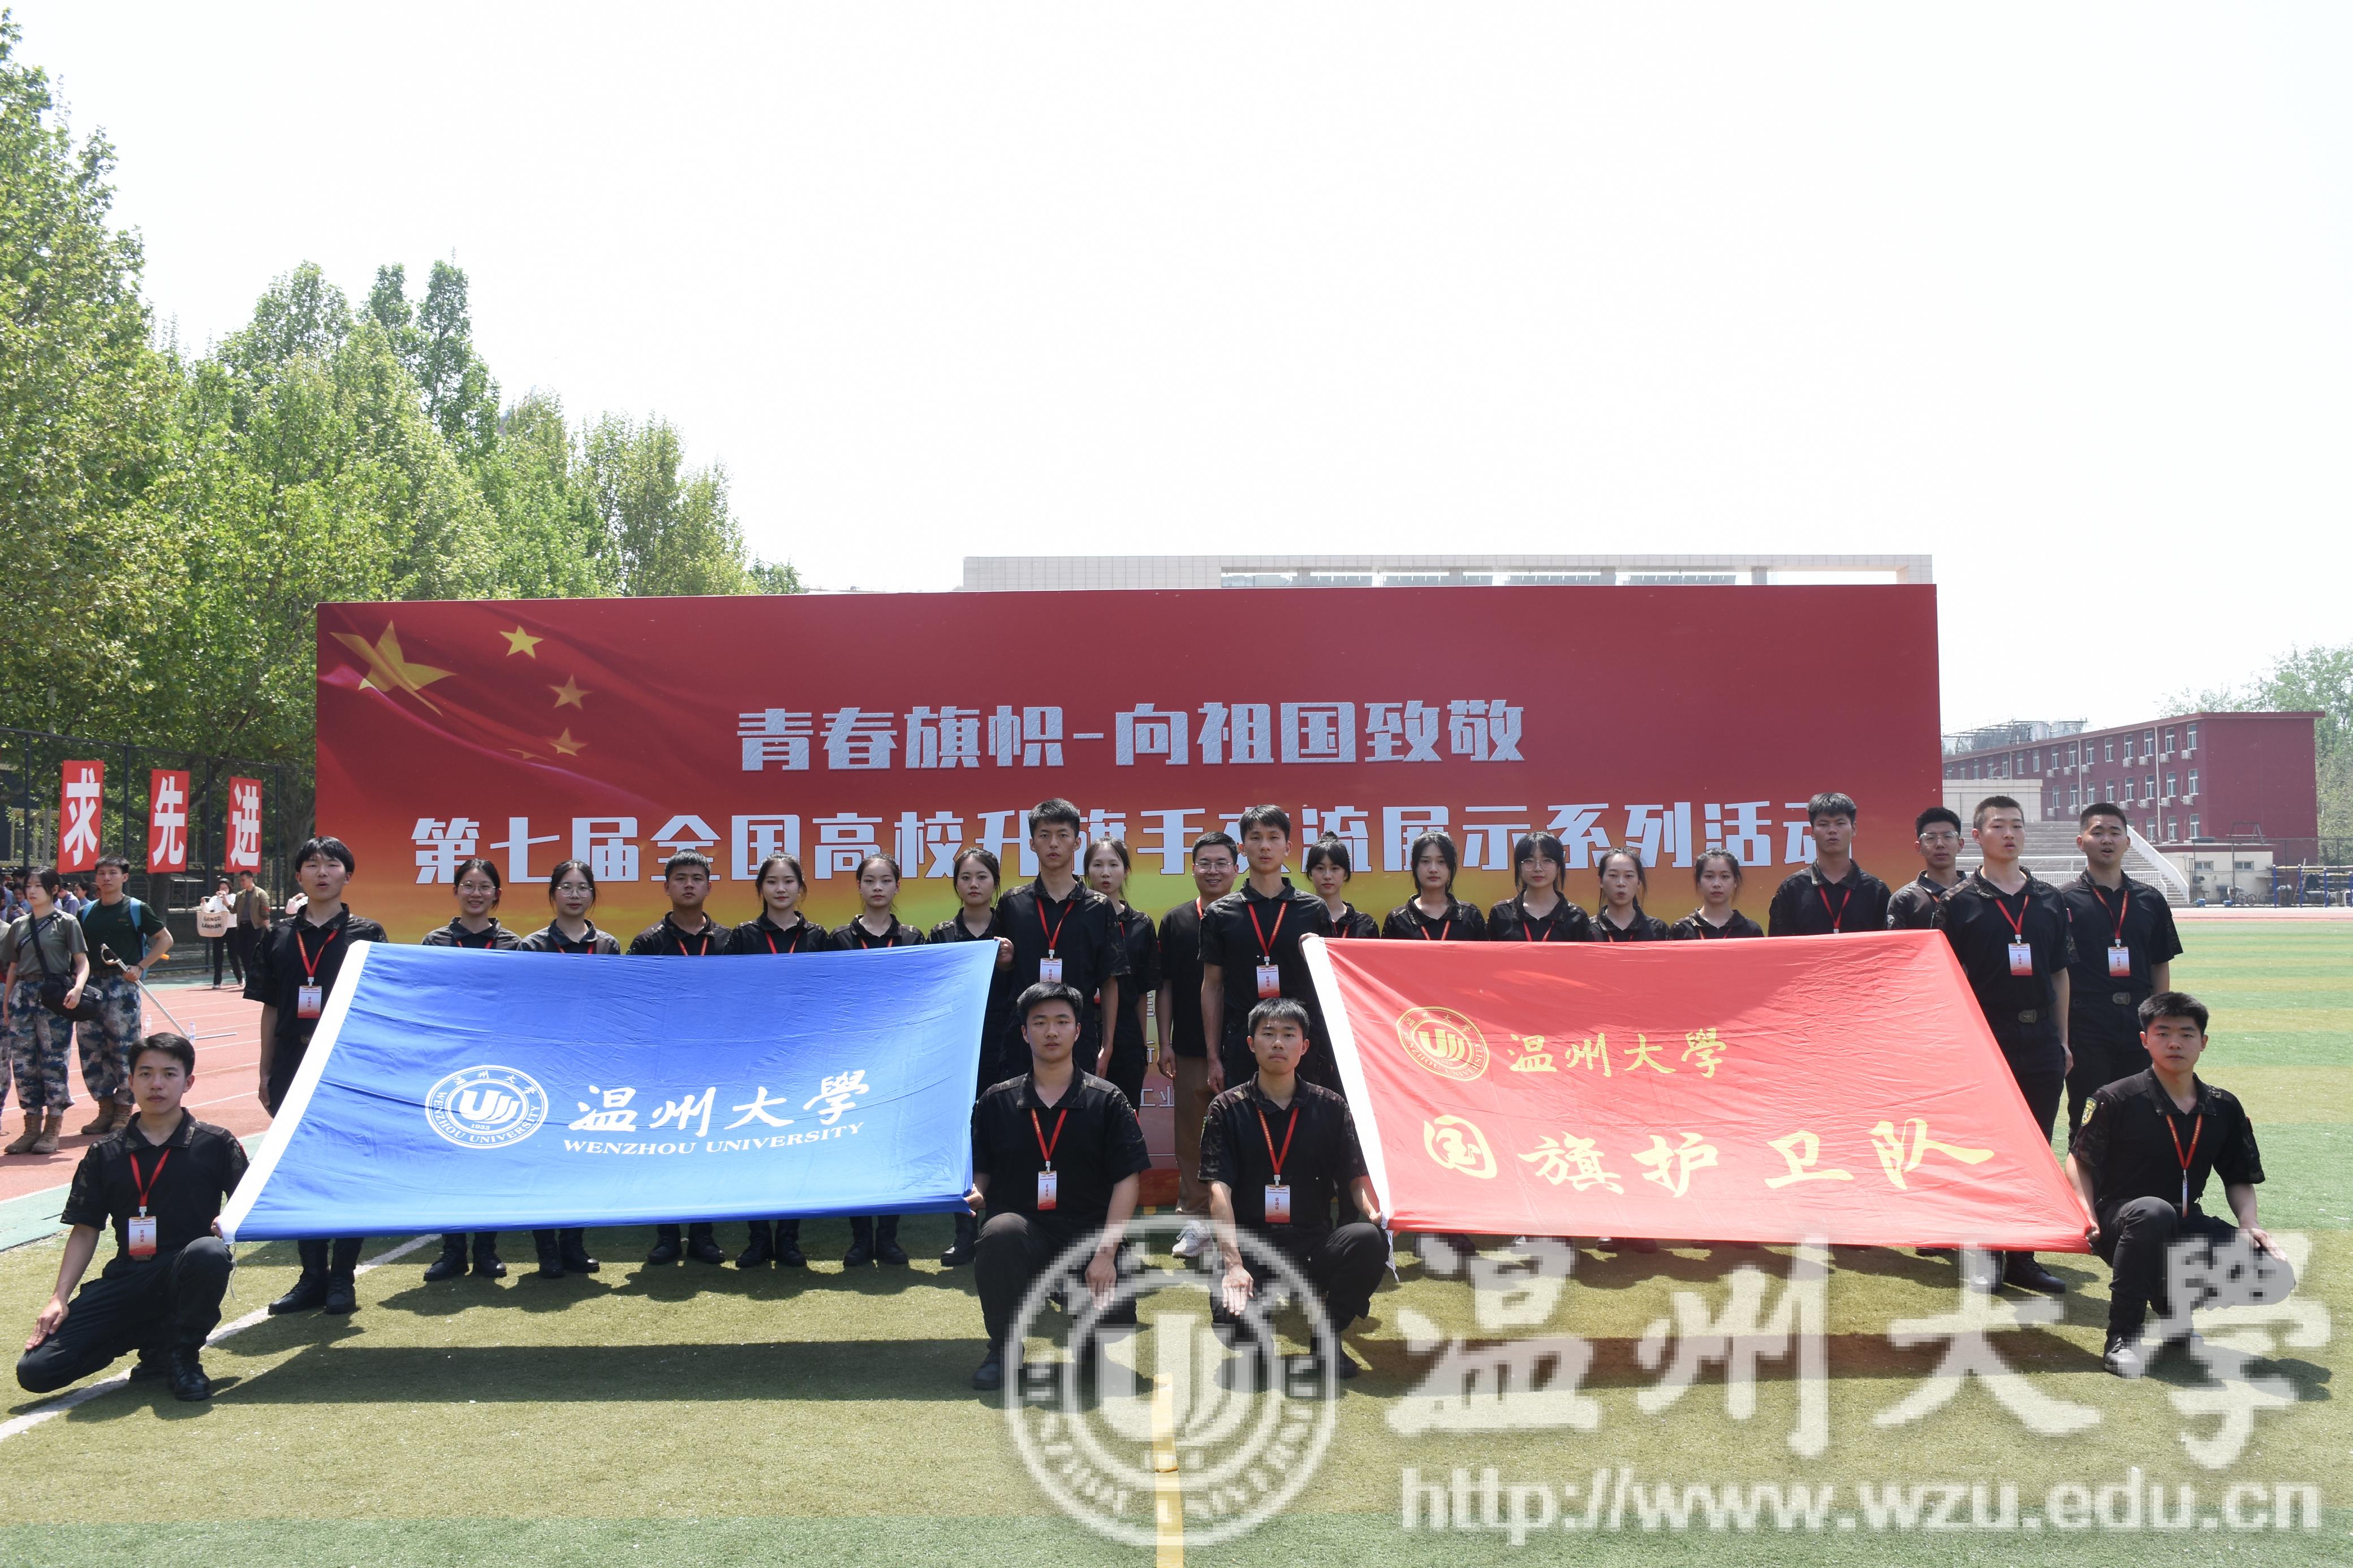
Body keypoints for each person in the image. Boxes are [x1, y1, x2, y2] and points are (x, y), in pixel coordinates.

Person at [16, 1034, 244, 1402]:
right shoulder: (105, 1152)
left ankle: (182, 1354)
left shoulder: (215, 1143)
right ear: (130, 1081)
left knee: (209, 1253)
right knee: (37, 1370)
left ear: (188, 1082)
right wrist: (59, 1298)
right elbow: (85, 1229)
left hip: (186, 1269)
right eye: (146, 1073)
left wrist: (231, 1220)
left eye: (169, 1074)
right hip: (129, 1275)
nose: (157, 1084)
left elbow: (250, 1207)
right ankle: (153, 1338)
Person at [2067, 992, 2276, 1378]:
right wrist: (2087, 1214)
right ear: (2145, 1040)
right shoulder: (2115, 1097)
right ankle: (2123, 1337)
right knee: (2153, 1212)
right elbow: (2079, 1160)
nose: (2175, 1043)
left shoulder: (2223, 1106)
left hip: (2184, 1218)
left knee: (2269, 1267)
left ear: (2203, 1042)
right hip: (2122, 1219)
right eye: (2163, 1033)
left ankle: (2173, 1310)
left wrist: (2250, 1223)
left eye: (2186, 1034)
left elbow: (2239, 1176)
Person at [966, 982, 1150, 1392]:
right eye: (1040, 1022)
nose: (1051, 1031)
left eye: (1062, 1021)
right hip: (1023, 1234)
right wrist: (975, 1192)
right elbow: (982, 1170)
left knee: (1120, 1293)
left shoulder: (1108, 1100)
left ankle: (1091, 1341)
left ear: (1078, 1031)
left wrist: (1106, 1254)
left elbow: (1127, 1179)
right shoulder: (996, 1101)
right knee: (999, 1232)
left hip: (1087, 1235)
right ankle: (1004, 1350)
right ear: (1024, 1032)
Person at [1200, 999, 1389, 1380]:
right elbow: (1218, 1189)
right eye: (1268, 1034)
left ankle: (1327, 1337)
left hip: (1312, 1243)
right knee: (1230, 1316)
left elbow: (1355, 1177)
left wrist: (1375, 1212)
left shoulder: (1331, 1107)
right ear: (1251, 1043)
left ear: (1304, 1046)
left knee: (1370, 1239)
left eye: (1289, 1035)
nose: (1278, 1043)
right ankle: (1256, 1340)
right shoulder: (1226, 1109)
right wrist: (1234, 1264)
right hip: (1252, 1244)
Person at [1933, 796, 2075, 1295]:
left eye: (2017, 825)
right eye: (1998, 826)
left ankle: (2023, 1255)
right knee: (1985, 1149)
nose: (2009, 833)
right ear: (1977, 836)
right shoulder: (1956, 903)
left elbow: (2060, 973)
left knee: (2036, 1147)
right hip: (1984, 1040)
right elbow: (1942, 980)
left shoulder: (2049, 899)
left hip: (2040, 1040)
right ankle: (1985, 1253)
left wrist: (2063, 1039)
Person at [249, 836, 386, 1315]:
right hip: (293, 1063)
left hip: (349, 1067)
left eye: (332, 864)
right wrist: (265, 1069)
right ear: (298, 876)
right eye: (312, 864)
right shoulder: (276, 936)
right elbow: (270, 1007)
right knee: (302, 1170)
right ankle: (311, 1276)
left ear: (349, 875)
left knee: (347, 1171)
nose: (322, 872)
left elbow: (379, 1007)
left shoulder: (368, 934)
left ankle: (342, 1277)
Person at [730, 853, 839, 1269]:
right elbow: (729, 994)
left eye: (789, 881)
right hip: (754, 1057)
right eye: (772, 881)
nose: (780, 889)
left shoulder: (817, 936)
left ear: (801, 888)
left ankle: (790, 1239)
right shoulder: (743, 936)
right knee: (753, 1148)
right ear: (760, 888)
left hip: (802, 1057)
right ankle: (758, 1239)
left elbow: (828, 994)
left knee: (795, 1145)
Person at [419, 858, 520, 1284]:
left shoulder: (514, 945)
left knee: (491, 1155)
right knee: (450, 1156)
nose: (476, 893)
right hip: (450, 1061)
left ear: (497, 894)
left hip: (499, 1061)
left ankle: (487, 1250)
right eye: (468, 885)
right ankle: (452, 1250)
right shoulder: (435, 941)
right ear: (456, 891)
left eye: (484, 887)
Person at [628, 851, 731, 1267]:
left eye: (697, 878)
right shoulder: (648, 942)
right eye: (681, 878)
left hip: (716, 1060)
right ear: (666, 886)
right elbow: (636, 1004)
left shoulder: (729, 941)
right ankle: (667, 1236)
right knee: (665, 1147)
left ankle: (704, 1235)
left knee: (708, 1147)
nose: (689, 885)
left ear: (709, 886)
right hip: (665, 1063)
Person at [2060, 802, 2184, 1141]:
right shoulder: (2061, 900)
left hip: (2138, 1018)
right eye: (2097, 832)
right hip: (2086, 1022)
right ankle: (2083, 1177)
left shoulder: (2150, 900)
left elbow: (2160, 963)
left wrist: (2160, 1023)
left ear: (2128, 842)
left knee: (2141, 1110)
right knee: (2087, 1114)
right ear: (2081, 841)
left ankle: (2133, 1177)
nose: (2107, 840)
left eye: (2115, 832)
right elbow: (2058, 969)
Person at [515, 859, 614, 1278]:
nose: (575, 895)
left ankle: (574, 1244)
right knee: (545, 1158)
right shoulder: (532, 946)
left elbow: (616, 1005)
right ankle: (546, 1249)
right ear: (553, 894)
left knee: (581, 1157)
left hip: (591, 1066)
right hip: (547, 1065)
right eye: (567, 887)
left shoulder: (607, 945)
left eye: (583, 887)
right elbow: (525, 1007)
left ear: (593, 894)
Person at [994, 800, 1126, 1111]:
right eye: (1044, 835)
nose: (1053, 844)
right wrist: (1005, 961)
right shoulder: (1012, 904)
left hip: (1079, 1032)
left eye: (1063, 835)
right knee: (1019, 1118)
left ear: (1077, 843)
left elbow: (1110, 980)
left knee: (1079, 1118)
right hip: (1023, 1033)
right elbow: (999, 975)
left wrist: (1107, 1045)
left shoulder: (1098, 907)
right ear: (1032, 844)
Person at [1201, 805, 1339, 1097]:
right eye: (1256, 837)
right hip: (1244, 1041)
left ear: (1287, 847)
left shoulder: (1313, 910)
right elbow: (1212, 986)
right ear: (1242, 848)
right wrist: (1213, 1058)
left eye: (1274, 838)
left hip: (1301, 1041)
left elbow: (1331, 986)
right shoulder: (1220, 913)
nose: (1265, 846)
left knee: (1303, 1120)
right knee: (1245, 1120)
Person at [831, 853, 926, 1265]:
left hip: (898, 1056)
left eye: (886, 880)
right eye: (869, 880)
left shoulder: (913, 938)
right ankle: (859, 1239)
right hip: (851, 1056)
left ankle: (887, 1237)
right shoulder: (839, 938)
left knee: (893, 1146)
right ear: (859, 886)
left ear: (897, 886)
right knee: (855, 1146)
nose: (877, 887)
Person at [930, 846, 1017, 1267]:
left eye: (982, 876)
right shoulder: (942, 934)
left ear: (995, 883)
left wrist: (1010, 965)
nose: (974, 884)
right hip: (957, 1051)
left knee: (1004, 1134)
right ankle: (964, 1234)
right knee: (963, 1141)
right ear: (956, 885)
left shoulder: (1011, 930)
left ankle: (999, 1231)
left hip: (1007, 1046)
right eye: (965, 877)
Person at [1157, 832, 1238, 1262]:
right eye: (1205, 863)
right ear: (1192, 869)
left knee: (1244, 1135)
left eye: (1222, 863)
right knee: (1191, 1138)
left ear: (1236, 868)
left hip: (1245, 1049)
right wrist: (1164, 1042)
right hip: (1188, 1048)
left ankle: (1243, 1221)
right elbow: (1166, 986)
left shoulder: (1249, 915)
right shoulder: (1176, 921)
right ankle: (1194, 1218)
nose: (1213, 870)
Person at [73, 856, 174, 1138]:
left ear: (125, 877)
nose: (106, 878)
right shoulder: (86, 912)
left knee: (123, 1048)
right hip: (91, 987)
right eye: (102, 873)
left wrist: (141, 966)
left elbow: (165, 939)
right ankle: (104, 1109)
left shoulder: (136, 909)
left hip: (122, 987)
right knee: (91, 1049)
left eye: (113, 873)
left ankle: (123, 1109)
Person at [2, 867, 90, 1155]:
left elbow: (82, 961)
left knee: (54, 1061)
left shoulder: (66, 922)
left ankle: (53, 1126)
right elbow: (13, 966)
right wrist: (7, 1003)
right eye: (29, 885)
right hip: (23, 996)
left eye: (38, 886)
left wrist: (78, 989)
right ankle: (31, 1127)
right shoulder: (19, 924)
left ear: (53, 890)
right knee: (24, 1064)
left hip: (52, 996)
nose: (31, 891)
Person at [1083, 837, 1160, 1112]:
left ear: (1126, 871)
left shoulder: (1141, 924)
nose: (1106, 873)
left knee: (1123, 1115)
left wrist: (1141, 1045)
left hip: (1126, 1035)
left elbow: (1142, 991)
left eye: (1113, 865)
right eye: (1098, 865)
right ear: (1087, 871)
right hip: (1080, 1028)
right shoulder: (1074, 919)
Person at [1768, 792, 1893, 936]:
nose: (1832, 830)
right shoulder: (1792, 889)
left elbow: (1888, 945)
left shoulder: (1876, 891)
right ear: (1811, 832)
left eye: (1840, 824)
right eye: (1824, 824)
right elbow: (1779, 945)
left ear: (1854, 829)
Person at [1486, 831, 1597, 943]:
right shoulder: (1501, 913)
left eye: (1547, 860)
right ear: (1519, 867)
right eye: (1529, 861)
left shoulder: (1575, 917)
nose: (1538, 868)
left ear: (1558, 867)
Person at [1381, 830, 1489, 941]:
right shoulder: (1398, 920)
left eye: (1441, 862)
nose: (1433, 869)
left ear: (1451, 866)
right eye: (1425, 861)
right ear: (1414, 866)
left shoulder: (1471, 916)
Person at [1886, 806, 1966, 931]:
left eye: (1948, 836)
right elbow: (1897, 943)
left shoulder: (1978, 895)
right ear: (1919, 848)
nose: (1940, 844)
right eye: (1931, 838)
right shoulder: (1904, 900)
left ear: (1960, 845)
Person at [1669, 849, 1764, 939]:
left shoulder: (1751, 931)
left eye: (1725, 877)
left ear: (1735, 882)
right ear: (1699, 882)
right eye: (1709, 876)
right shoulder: (1681, 930)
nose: (1717, 884)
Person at [1303, 836, 1380, 939]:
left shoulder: (1366, 925)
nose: (1327, 876)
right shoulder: (1299, 919)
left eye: (1335, 869)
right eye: (1320, 868)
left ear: (1346, 874)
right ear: (1310, 873)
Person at [1591, 848, 1670, 942]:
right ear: (1600, 881)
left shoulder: (1658, 930)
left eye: (1629, 876)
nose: (1621, 883)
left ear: (1639, 882)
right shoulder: (1589, 930)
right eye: (1613, 875)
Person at [229, 871, 271, 986]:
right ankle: (250, 978)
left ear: (251, 879)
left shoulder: (261, 894)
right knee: (243, 953)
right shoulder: (240, 895)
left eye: (243, 880)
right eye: (240, 881)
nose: (241, 883)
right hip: (242, 927)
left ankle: (256, 979)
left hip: (255, 927)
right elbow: (233, 910)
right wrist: (226, 903)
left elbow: (265, 913)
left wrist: (268, 929)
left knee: (252, 953)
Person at [193, 879, 236, 988]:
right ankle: (217, 981)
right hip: (218, 928)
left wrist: (225, 899)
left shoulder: (234, 897)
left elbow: (233, 910)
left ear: (230, 888)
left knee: (233, 954)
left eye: (225, 888)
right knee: (218, 954)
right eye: (221, 888)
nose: (223, 890)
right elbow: (208, 909)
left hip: (231, 928)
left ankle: (239, 977)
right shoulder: (214, 899)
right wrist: (204, 904)